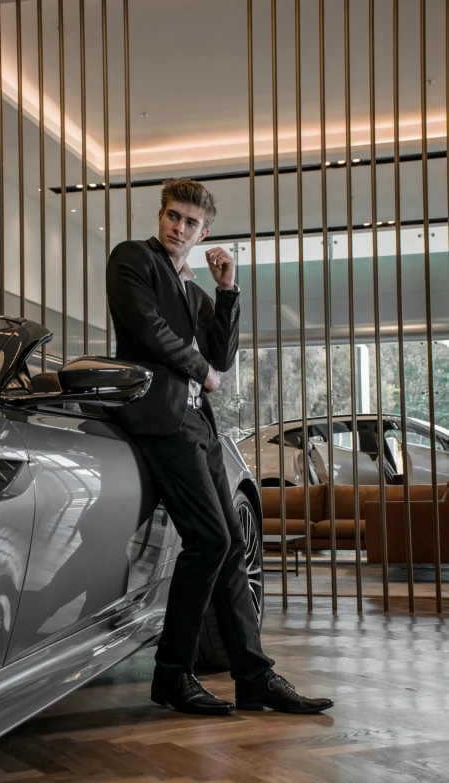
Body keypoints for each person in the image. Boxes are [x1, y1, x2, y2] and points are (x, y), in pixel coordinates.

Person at [106, 178, 333, 716]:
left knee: (230, 545)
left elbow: (224, 356)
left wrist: (228, 288)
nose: (177, 227)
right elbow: (149, 330)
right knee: (209, 540)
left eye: (189, 222)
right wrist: (199, 370)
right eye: (172, 216)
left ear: (205, 231)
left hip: (198, 424)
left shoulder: (195, 289)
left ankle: (254, 677)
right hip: (159, 418)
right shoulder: (132, 259)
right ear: (161, 216)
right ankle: (172, 675)